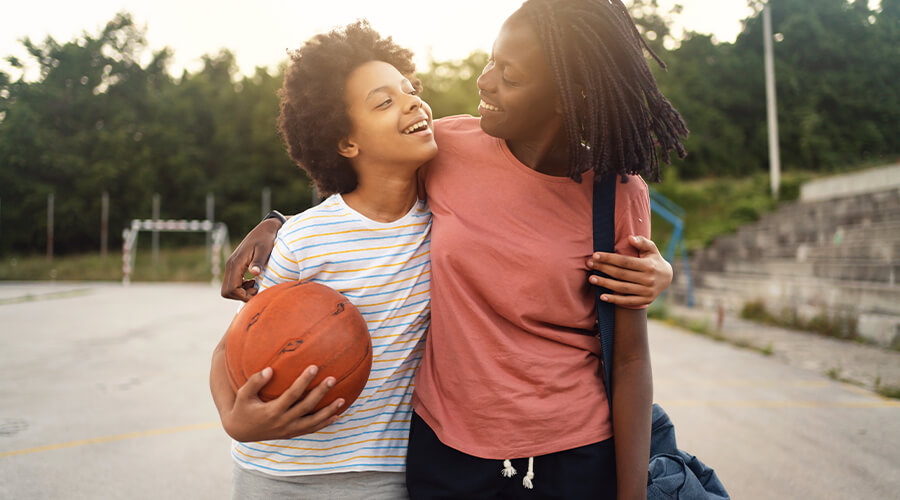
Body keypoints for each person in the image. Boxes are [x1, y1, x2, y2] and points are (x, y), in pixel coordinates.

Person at [222, 0, 686, 497]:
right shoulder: (449, 149)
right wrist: (280, 224)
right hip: (446, 451)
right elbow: (369, 185)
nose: (485, 81)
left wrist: (631, 493)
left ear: (568, 94)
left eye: (509, 75)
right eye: (491, 60)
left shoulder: (616, 193)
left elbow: (631, 359)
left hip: (571, 453)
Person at [210, 21, 439, 499]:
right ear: (345, 142)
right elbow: (232, 346)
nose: (413, 101)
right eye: (384, 101)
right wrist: (235, 419)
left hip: (383, 476)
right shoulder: (302, 240)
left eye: (411, 90)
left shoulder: (448, 223)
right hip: (275, 473)